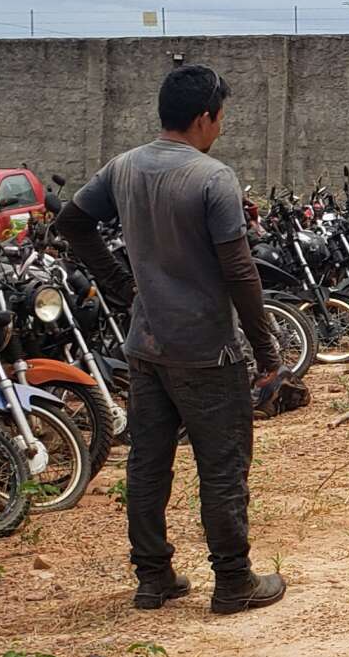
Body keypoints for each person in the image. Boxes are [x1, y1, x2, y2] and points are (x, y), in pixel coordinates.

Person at [56, 62, 287, 616]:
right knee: (223, 465)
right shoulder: (213, 178)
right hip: (208, 350)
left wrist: (120, 288)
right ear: (205, 117)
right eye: (221, 117)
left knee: (148, 463)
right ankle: (233, 582)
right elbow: (240, 272)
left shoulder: (123, 167)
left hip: (145, 345)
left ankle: (153, 578)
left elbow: (71, 222)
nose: (222, 128)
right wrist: (267, 351)